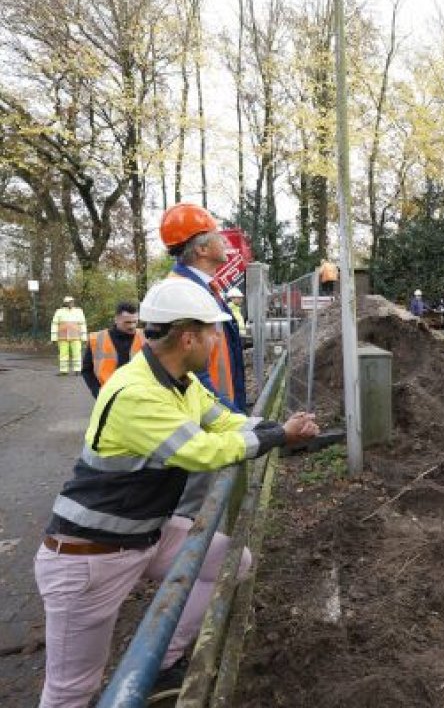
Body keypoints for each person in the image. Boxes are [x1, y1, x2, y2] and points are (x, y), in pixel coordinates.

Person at [33, 278, 319, 708]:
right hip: (88, 557)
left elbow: (224, 422)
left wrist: (274, 431)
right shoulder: (137, 394)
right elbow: (200, 451)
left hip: (145, 534)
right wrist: (279, 436)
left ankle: (161, 664)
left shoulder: (180, 380)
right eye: (212, 333)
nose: (218, 341)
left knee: (231, 562)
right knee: (72, 691)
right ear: (189, 338)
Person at [160, 202, 246, 412]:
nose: (224, 240)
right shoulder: (183, 293)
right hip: (211, 419)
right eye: (217, 235)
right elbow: (195, 378)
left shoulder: (201, 288)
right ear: (202, 249)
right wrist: (235, 418)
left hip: (218, 413)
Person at [81, 302, 144, 398]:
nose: (132, 326)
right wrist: (97, 391)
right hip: (108, 395)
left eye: (135, 322)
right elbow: (87, 369)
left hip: (139, 395)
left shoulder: (146, 338)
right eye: (127, 322)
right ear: (116, 320)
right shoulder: (98, 338)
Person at [50, 296, 87, 375]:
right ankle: (64, 371)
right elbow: (54, 324)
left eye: (72, 302)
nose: (71, 303)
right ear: (65, 303)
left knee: (77, 353)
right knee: (63, 354)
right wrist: (53, 337)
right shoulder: (59, 312)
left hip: (76, 336)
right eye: (69, 302)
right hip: (62, 337)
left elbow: (82, 324)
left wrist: (84, 337)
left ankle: (78, 370)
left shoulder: (79, 311)